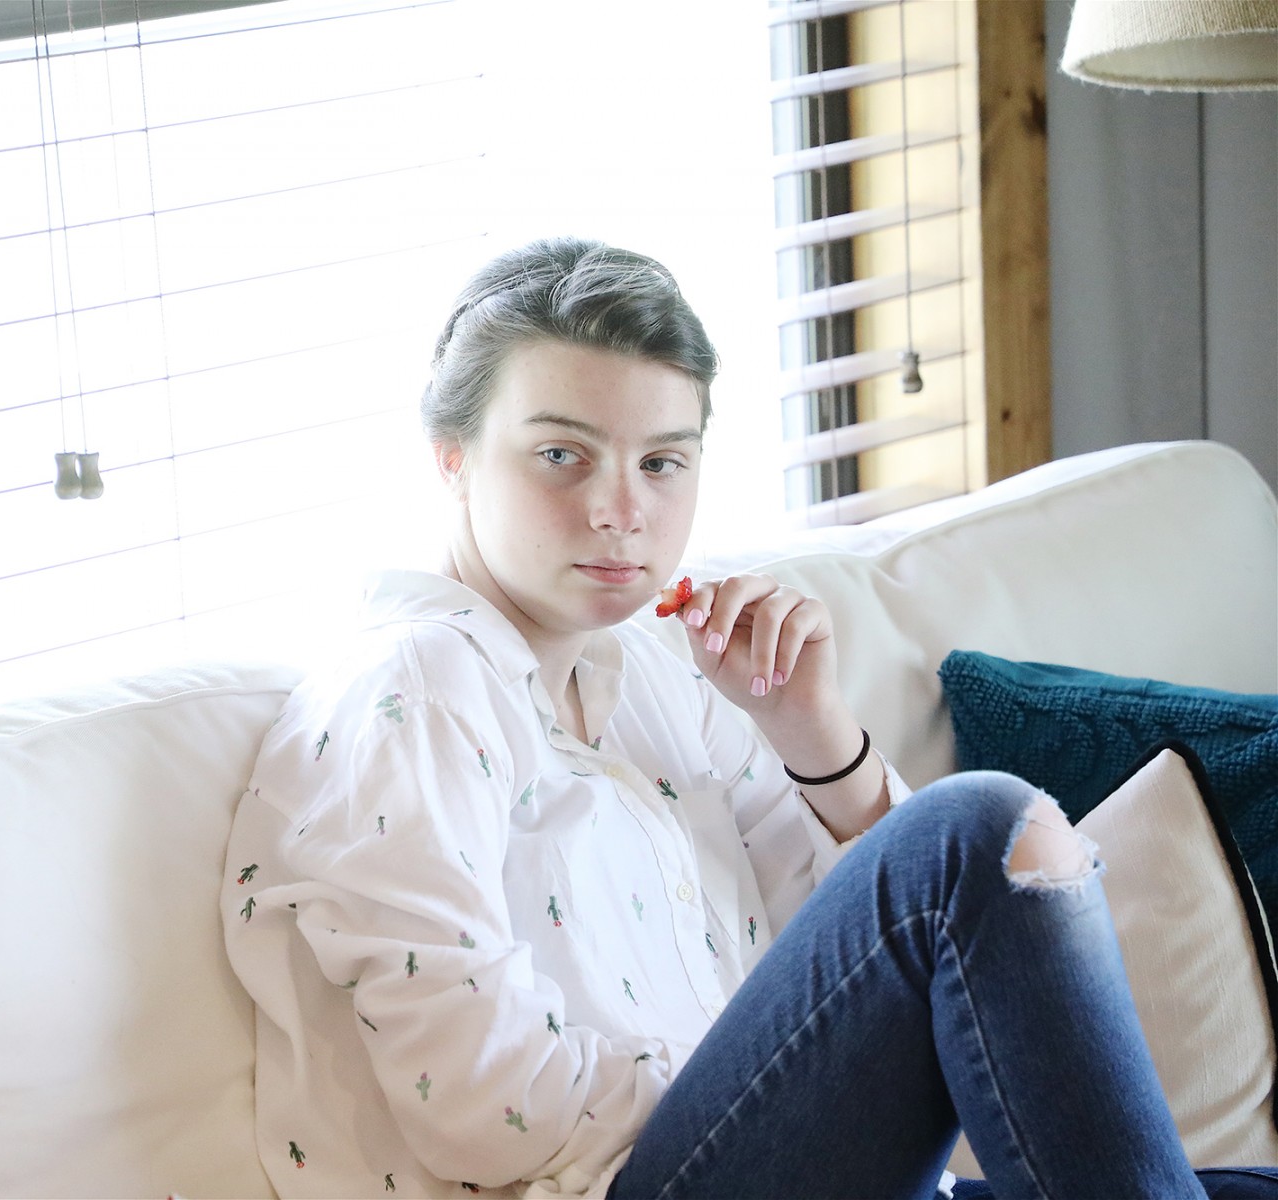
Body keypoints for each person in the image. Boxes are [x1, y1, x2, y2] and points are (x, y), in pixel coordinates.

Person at [220, 238, 1276, 1199]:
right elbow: (483, 1108)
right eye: (562, 455)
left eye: (661, 463)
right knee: (980, 830)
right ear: (451, 457)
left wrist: (811, 731)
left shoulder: (666, 671)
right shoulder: (412, 694)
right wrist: (799, 1072)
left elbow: (884, 962)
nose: (621, 511)